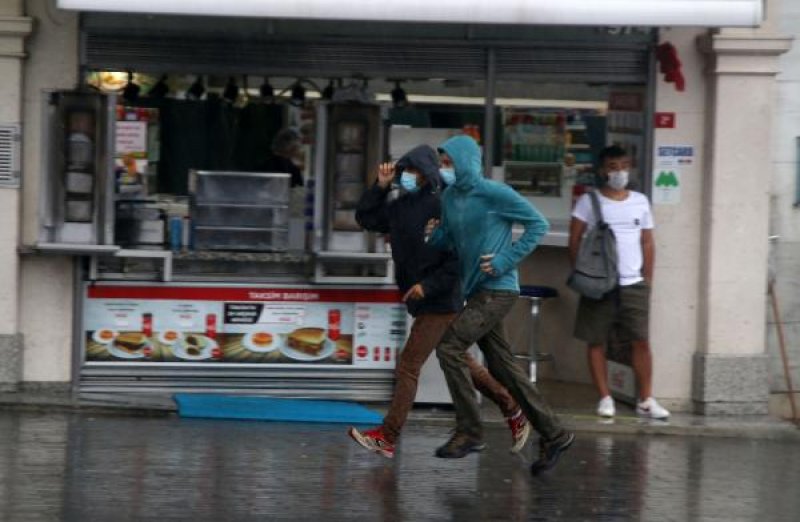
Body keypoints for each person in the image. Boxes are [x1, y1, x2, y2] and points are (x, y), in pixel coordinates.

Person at [347, 145, 531, 459]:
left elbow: (457, 260)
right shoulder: (400, 205)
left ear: (428, 174)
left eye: (414, 170)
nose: (407, 176)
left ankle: (387, 437)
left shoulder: (443, 207)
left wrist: (426, 286)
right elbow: (366, 218)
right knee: (465, 362)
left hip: (442, 298)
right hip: (426, 298)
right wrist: (379, 186)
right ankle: (512, 408)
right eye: (405, 170)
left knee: (408, 365)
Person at [426, 135, 574, 475]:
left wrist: (507, 258)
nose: (444, 169)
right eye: (442, 162)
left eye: (449, 162)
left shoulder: (494, 194)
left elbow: (539, 224)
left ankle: (470, 431)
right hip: (476, 291)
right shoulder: (450, 197)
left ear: (466, 162)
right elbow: (450, 237)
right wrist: (433, 235)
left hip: (499, 289)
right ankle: (555, 434)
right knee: (503, 367)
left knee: (449, 348)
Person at [568, 145, 670, 420]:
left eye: (624, 166)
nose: (620, 172)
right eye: (613, 167)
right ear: (603, 171)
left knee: (641, 340)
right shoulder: (589, 202)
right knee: (596, 340)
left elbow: (647, 241)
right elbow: (574, 240)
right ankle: (605, 397)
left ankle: (646, 398)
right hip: (599, 284)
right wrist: (585, 275)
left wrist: (647, 279)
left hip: (633, 283)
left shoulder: (640, 201)